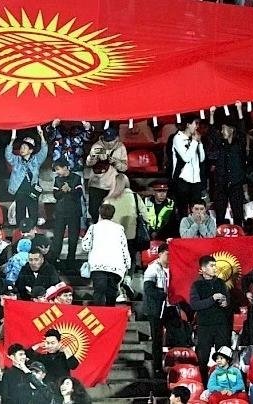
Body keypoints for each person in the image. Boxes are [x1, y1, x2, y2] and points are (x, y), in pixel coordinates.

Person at [189, 255, 231, 383]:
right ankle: (203, 384)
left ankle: (223, 383)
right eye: (211, 266)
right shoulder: (197, 285)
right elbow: (195, 305)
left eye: (215, 265)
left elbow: (228, 300)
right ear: (203, 269)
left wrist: (225, 303)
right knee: (203, 358)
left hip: (221, 325)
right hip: (205, 326)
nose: (215, 268)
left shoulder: (220, 283)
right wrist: (212, 299)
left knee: (223, 356)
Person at [81, 204, 131, 306]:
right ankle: (110, 313)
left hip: (98, 265)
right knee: (111, 293)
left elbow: (86, 246)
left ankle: (99, 314)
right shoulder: (119, 228)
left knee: (99, 292)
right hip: (115, 266)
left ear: (100, 213)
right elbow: (124, 248)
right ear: (113, 214)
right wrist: (127, 264)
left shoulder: (94, 228)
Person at [207, 102, 247, 225]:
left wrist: (239, 110)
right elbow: (212, 133)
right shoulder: (220, 144)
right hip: (221, 184)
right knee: (220, 214)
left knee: (238, 213)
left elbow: (242, 130)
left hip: (236, 183)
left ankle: (239, 232)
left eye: (224, 128)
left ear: (231, 129)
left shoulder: (238, 144)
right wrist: (211, 115)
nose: (222, 131)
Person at [103, 173, 148, 265]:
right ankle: (130, 273)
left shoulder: (109, 200)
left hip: (113, 236)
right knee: (130, 258)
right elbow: (145, 215)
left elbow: (102, 219)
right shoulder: (135, 197)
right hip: (131, 234)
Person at [5, 130, 48, 226]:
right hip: (19, 191)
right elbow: (8, 155)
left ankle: (32, 230)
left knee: (33, 214)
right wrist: (12, 141)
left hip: (32, 192)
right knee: (20, 214)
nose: (22, 149)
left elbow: (44, 151)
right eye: (21, 147)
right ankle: (21, 231)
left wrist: (42, 136)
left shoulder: (36, 160)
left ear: (31, 150)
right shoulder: (16, 160)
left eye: (25, 147)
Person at [85, 127, 128, 223]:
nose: (109, 143)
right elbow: (89, 164)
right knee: (94, 210)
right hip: (96, 184)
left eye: (111, 140)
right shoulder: (97, 146)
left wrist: (115, 162)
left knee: (111, 211)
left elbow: (124, 168)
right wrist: (92, 156)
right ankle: (97, 226)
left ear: (116, 138)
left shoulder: (121, 147)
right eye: (106, 140)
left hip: (112, 186)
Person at [171, 115, 205, 219]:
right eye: (195, 123)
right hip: (182, 179)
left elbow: (202, 158)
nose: (197, 126)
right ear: (188, 124)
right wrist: (194, 142)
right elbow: (186, 158)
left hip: (195, 180)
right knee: (183, 211)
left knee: (196, 209)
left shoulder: (194, 140)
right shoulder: (178, 138)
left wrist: (199, 143)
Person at [50, 158, 82, 264]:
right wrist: (63, 191)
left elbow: (79, 194)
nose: (57, 172)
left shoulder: (77, 178)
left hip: (74, 212)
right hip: (60, 213)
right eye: (56, 170)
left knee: (73, 238)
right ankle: (55, 260)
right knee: (57, 238)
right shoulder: (57, 180)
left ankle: (71, 262)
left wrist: (70, 190)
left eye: (58, 169)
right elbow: (56, 195)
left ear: (65, 167)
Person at [143, 242, 168, 376]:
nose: (170, 257)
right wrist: (163, 295)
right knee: (157, 339)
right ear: (160, 254)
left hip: (170, 307)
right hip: (156, 309)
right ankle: (157, 368)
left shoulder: (174, 268)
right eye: (167, 254)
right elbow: (148, 289)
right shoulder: (152, 268)